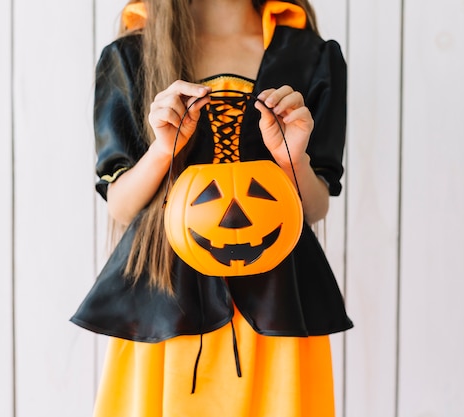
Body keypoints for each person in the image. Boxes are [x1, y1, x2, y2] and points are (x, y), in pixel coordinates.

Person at [71, 0, 353, 415]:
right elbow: (122, 205)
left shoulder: (312, 56)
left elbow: (313, 208)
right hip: (165, 308)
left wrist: (292, 157)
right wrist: (163, 150)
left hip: (279, 310)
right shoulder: (131, 56)